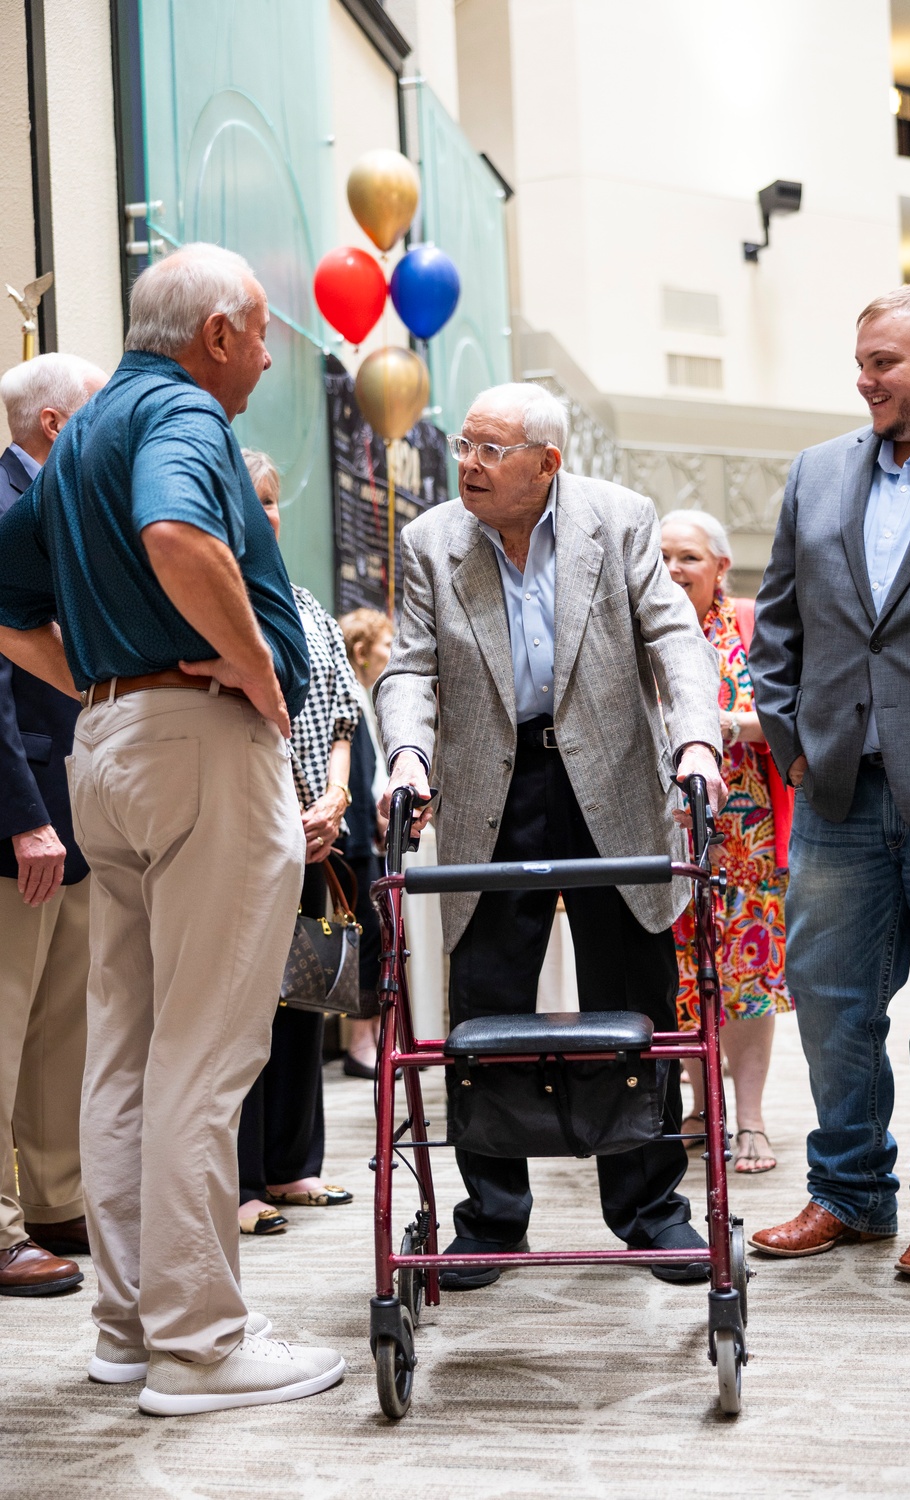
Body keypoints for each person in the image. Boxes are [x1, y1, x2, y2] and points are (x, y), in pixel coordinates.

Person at [0, 243, 345, 1412]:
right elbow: (179, 538)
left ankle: (132, 1327)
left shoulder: (86, 428)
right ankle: (200, 1344)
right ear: (215, 334)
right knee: (205, 1052)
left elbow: (4, 597)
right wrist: (253, 670)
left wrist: (96, 677)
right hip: (195, 747)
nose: (263, 355)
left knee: (131, 1050)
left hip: (112, 748)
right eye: (259, 335)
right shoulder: (184, 415)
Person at [376, 381, 725, 1288]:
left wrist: (695, 735)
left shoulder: (620, 520)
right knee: (484, 1000)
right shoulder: (432, 541)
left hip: (610, 780)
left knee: (634, 992)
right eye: (464, 443)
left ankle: (652, 1213)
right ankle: (490, 1219)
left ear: (547, 462)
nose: (469, 465)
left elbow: (672, 636)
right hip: (492, 787)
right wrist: (407, 756)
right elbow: (409, 667)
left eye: (492, 450)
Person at [749, 281, 910, 1280]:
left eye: (883, 364)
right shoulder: (816, 474)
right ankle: (848, 1194)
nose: (863, 382)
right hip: (837, 795)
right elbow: (775, 628)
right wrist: (794, 748)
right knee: (831, 1005)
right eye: (860, 363)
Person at [0, 353, 105, 1297]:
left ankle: (56, 1198)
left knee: (57, 1024)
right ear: (57, 428)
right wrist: (26, 819)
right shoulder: (5, 510)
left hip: (71, 812)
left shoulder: (56, 509)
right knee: (1, 1023)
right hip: (20, 816)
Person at [237, 448, 359, 1231]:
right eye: (249, 500)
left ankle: (292, 1168)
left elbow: (345, 714)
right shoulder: (207, 603)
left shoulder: (307, 604)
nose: (265, 514)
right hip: (245, 834)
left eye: (273, 500)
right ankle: (240, 1183)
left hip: (316, 832)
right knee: (242, 1012)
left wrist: (338, 799)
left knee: (304, 999)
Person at [660, 509, 795, 1174]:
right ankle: (696, 1105)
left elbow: (794, 712)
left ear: (720, 567)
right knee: (681, 977)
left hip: (748, 836)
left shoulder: (752, 624)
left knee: (748, 979)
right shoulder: (643, 634)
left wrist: (725, 725)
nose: (673, 570)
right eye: (661, 558)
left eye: (687, 557)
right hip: (667, 836)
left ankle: (749, 1118)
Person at [339, 607, 394, 1076]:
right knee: (364, 936)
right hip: (353, 837)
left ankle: (374, 1037)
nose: (391, 652)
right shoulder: (349, 698)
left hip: (365, 834)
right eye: (385, 643)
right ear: (362, 650)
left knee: (376, 937)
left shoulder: (366, 697)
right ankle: (360, 1043)